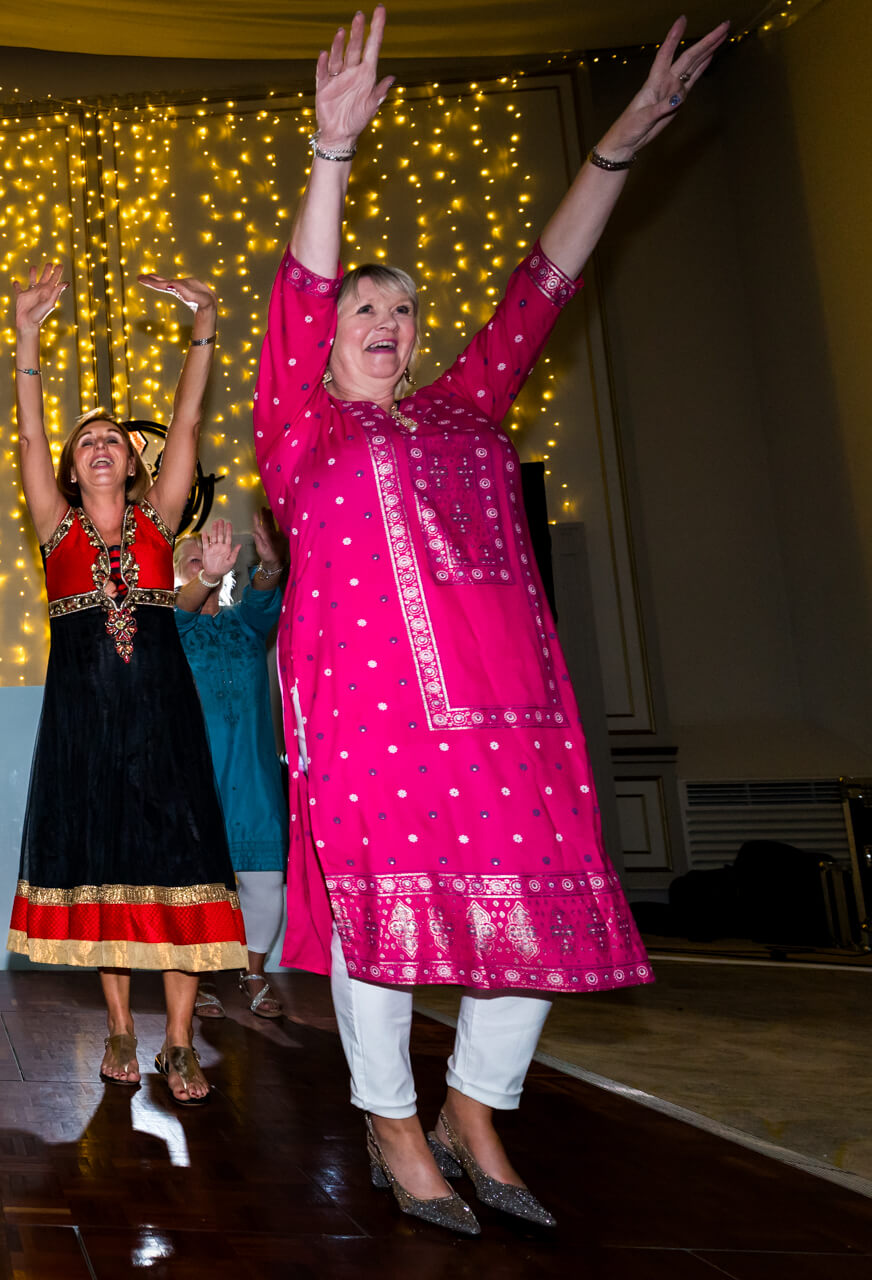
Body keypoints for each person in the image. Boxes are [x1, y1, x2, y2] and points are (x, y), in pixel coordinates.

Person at [256, 7, 726, 1233]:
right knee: (383, 911)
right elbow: (302, 291)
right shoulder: (302, 438)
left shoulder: (468, 410)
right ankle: (393, 1120)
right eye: (365, 309)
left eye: (401, 313)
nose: (384, 323)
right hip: (368, 706)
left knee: (534, 912)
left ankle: (476, 1104)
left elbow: (545, 282)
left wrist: (616, 142)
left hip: (510, 708)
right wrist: (333, 152)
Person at [5, 261, 248, 1107]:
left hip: (161, 723)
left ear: (131, 462)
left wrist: (204, 329)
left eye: (111, 437)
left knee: (180, 872)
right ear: (72, 468)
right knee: (107, 877)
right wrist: (28, 335)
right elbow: (29, 438)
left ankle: (179, 1045)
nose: (98, 443)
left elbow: (186, 419)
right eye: (86, 439)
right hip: (83, 729)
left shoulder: (157, 520)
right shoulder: (53, 526)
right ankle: (118, 1027)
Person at [172, 515, 289, 1020]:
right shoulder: (170, 626)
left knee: (264, 881)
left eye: (213, 560)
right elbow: (176, 613)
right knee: (197, 884)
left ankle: (254, 971)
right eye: (193, 563)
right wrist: (205, 578)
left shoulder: (245, 624)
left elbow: (264, 597)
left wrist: (269, 564)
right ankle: (196, 980)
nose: (207, 566)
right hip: (192, 778)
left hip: (255, 776)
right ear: (176, 575)